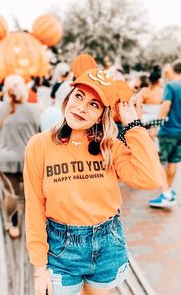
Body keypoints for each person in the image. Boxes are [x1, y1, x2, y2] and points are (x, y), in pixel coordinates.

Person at [24, 65, 162, 294]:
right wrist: (39, 266)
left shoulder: (110, 148)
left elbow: (150, 178)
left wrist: (133, 126)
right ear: (68, 97)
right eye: (79, 96)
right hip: (61, 249)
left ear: (101, 115)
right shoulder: (40, 145)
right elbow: (34, 206)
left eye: (94, 104)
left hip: (108, 243)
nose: (82, 108)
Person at [0, 74, 40, 238]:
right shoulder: (34, 109)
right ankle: (34, 225)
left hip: (4, 161)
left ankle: (12, 224)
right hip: (28, 160)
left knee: (10, 193)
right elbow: (40, 132)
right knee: (30, 194)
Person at [148, 59, 181, 208]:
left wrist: (155, 126)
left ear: (173, 70)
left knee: (160, 162)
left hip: (168, 131)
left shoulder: (171, 86)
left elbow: (165, 107)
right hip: (180, 132)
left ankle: (165, 194)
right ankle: (168, 191)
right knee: (173, 162)